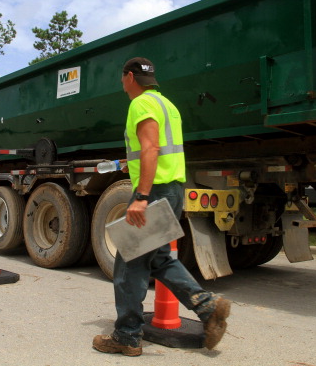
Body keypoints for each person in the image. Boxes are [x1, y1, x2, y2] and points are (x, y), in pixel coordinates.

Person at [92, 57, 231, 356]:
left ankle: (127, 336)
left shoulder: (140, 104)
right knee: (158, 258)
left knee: (129, 263)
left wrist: (141, 197)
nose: (121, 83)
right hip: (172, 188)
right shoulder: (167, 104)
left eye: (122, 78)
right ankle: (207, 307)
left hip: (154, 190)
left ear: (129, 77)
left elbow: (151, 148)